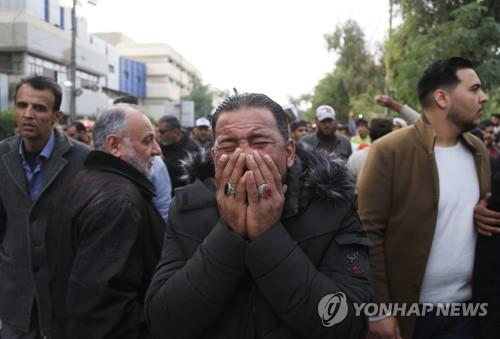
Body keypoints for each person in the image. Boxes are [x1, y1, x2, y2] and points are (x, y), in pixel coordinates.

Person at [145, 93, 372, 338]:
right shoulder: (189, 207)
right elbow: (163, 321)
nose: (245, 156)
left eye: (260, 142)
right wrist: (228, 231)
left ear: (289, 152)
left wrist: (267, 234)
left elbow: (347, 324)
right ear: (213, 156)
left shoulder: (332, 207)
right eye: (229, 145)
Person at [358, 57, 490, 339]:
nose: (484, 97)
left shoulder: (478, 150)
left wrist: (483, 210)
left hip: (467, 312)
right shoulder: (389, 151)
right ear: (442, 97)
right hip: (408, 316)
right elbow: (367, 232)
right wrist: (379, 309)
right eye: (474, 89)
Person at [46, 104, 165, 339]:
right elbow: (103, 311)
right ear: (114, 145)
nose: (157, 150)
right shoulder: (119, 203)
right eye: (147, 140)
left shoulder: (85, 180)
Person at [0, 75, 89, 339]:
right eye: (22, 105)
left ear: (56, 116)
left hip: (64, 297)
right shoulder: (2, 156)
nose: (28, 114)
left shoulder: (82, 160)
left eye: (38, 108)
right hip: (15, 296)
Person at [113, 95, 172, 221]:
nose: (156, 150)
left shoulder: (156, 165)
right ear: (112, 143)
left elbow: (164, 208)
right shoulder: (96, 161)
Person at [157, 115, 201, 193]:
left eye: (162, 131)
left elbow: (186, 173)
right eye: (158, 131)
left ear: (175, 132)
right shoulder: (160, 145)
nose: (159, 135)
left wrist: (163, 161)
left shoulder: (192, 148)